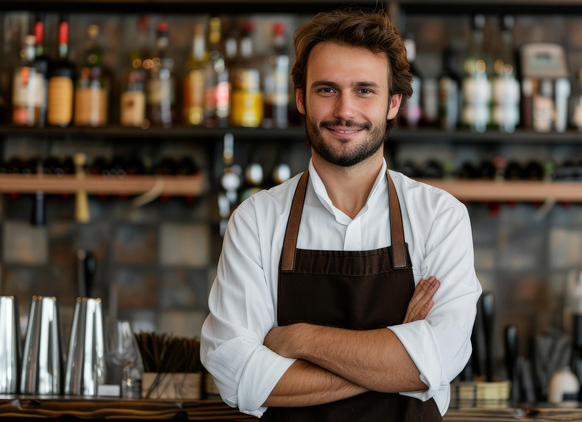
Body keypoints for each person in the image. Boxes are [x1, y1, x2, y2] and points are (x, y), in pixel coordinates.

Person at [200, 8, 481, 421]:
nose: (345, 111)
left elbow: (440, 359)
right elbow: (237, 375)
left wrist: (299, 339)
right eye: (327, 89)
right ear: (301, 99)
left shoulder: (440, 217)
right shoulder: (256, 220)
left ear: (394, 103)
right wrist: (396, 356)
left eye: (365, 90)